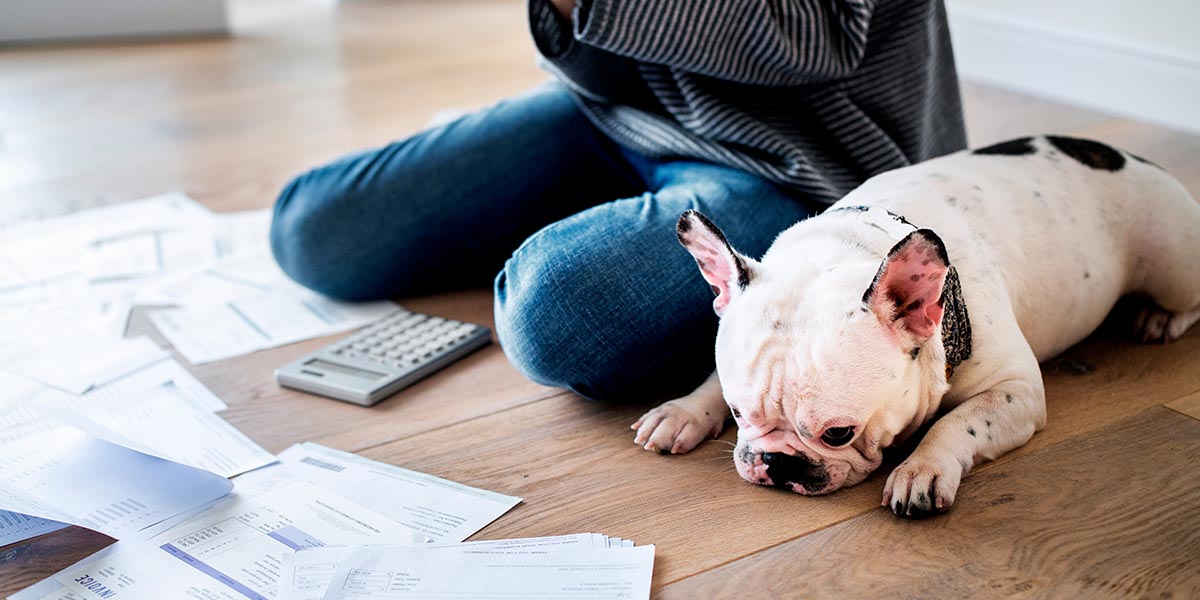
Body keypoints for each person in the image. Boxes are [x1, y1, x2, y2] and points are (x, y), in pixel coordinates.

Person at [270, 0, 966, 408]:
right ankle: (626, 235)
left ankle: (660, 262)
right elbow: (587, 49)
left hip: (797, 158)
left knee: (557, 317)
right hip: (617, 112)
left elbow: (820, 37)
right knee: (313, 231)